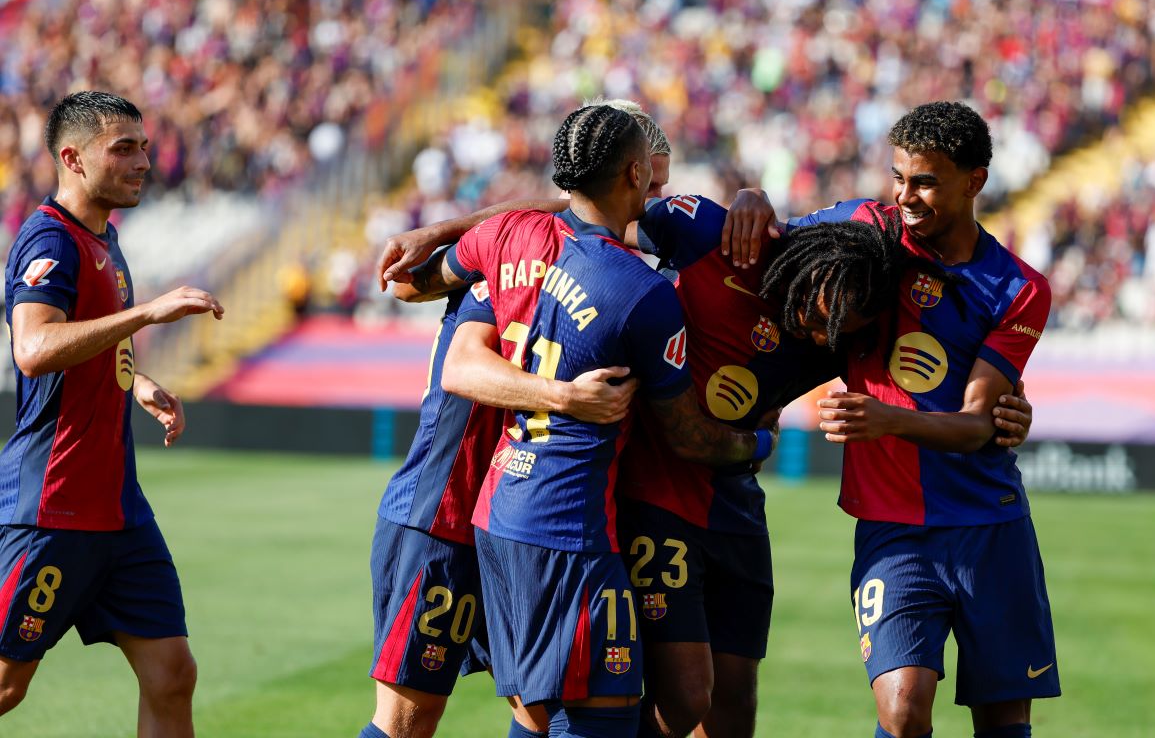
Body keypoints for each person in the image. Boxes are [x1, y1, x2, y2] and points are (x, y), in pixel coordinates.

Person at [395, 104, 779, 738]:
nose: (662, 198)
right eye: (653, 183)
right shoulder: (640, 291)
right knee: (598, 719)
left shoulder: (512, 237)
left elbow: (414, 292)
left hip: (499, 506)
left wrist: (441, 230)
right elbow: (687, 432)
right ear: (632, 173)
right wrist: (761, 437)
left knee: (541, 712)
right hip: (569, 524)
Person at [785, 101, 1058, 738]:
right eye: (898, 177)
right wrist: (746, 203)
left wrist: (887, 420)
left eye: (926, 181)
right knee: (903, 710)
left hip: (990, 525)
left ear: (975, 181)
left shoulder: (1019, 288)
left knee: (1003, 719)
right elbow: (764, 238)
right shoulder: (864, 231)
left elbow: (975, 425)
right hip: (894, 530)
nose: (906, 196)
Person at [0, 91, 224, 735]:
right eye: (122, 148)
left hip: (119, 510)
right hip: (54, 502)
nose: (143, 161)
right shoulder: (51, 239)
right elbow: (35, 348)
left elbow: (90, 340)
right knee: (7, 686)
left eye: (143, 146)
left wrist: (137, 380)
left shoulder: (105, 237)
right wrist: (148, 312)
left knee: (171, 675)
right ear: (72, 158)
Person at [361, 276, 638, 738]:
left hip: (514, 524)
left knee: (543, 709)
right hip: (442, 517)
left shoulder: (571, 275)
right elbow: (423, 308)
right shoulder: (494, 279)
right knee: (408, 719)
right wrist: (569, 397)